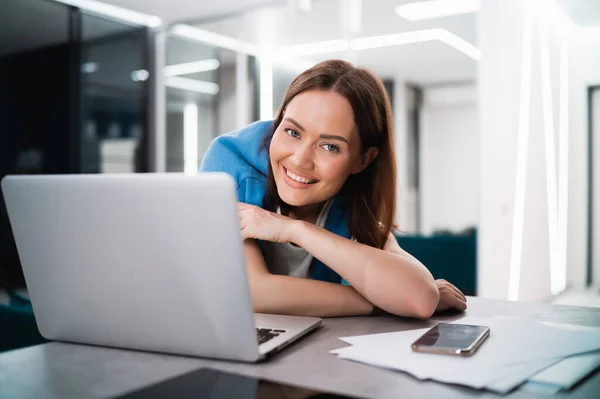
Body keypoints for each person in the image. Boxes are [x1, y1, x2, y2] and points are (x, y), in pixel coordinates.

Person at [201, 59, 466, 318]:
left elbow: (419, 298)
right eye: (293, 132)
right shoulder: (229, 162)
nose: (300, 160)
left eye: (330, 146)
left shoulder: (348, 195)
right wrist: (380, 302)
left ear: (362, 160)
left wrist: (293, 229)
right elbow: (252, 291)